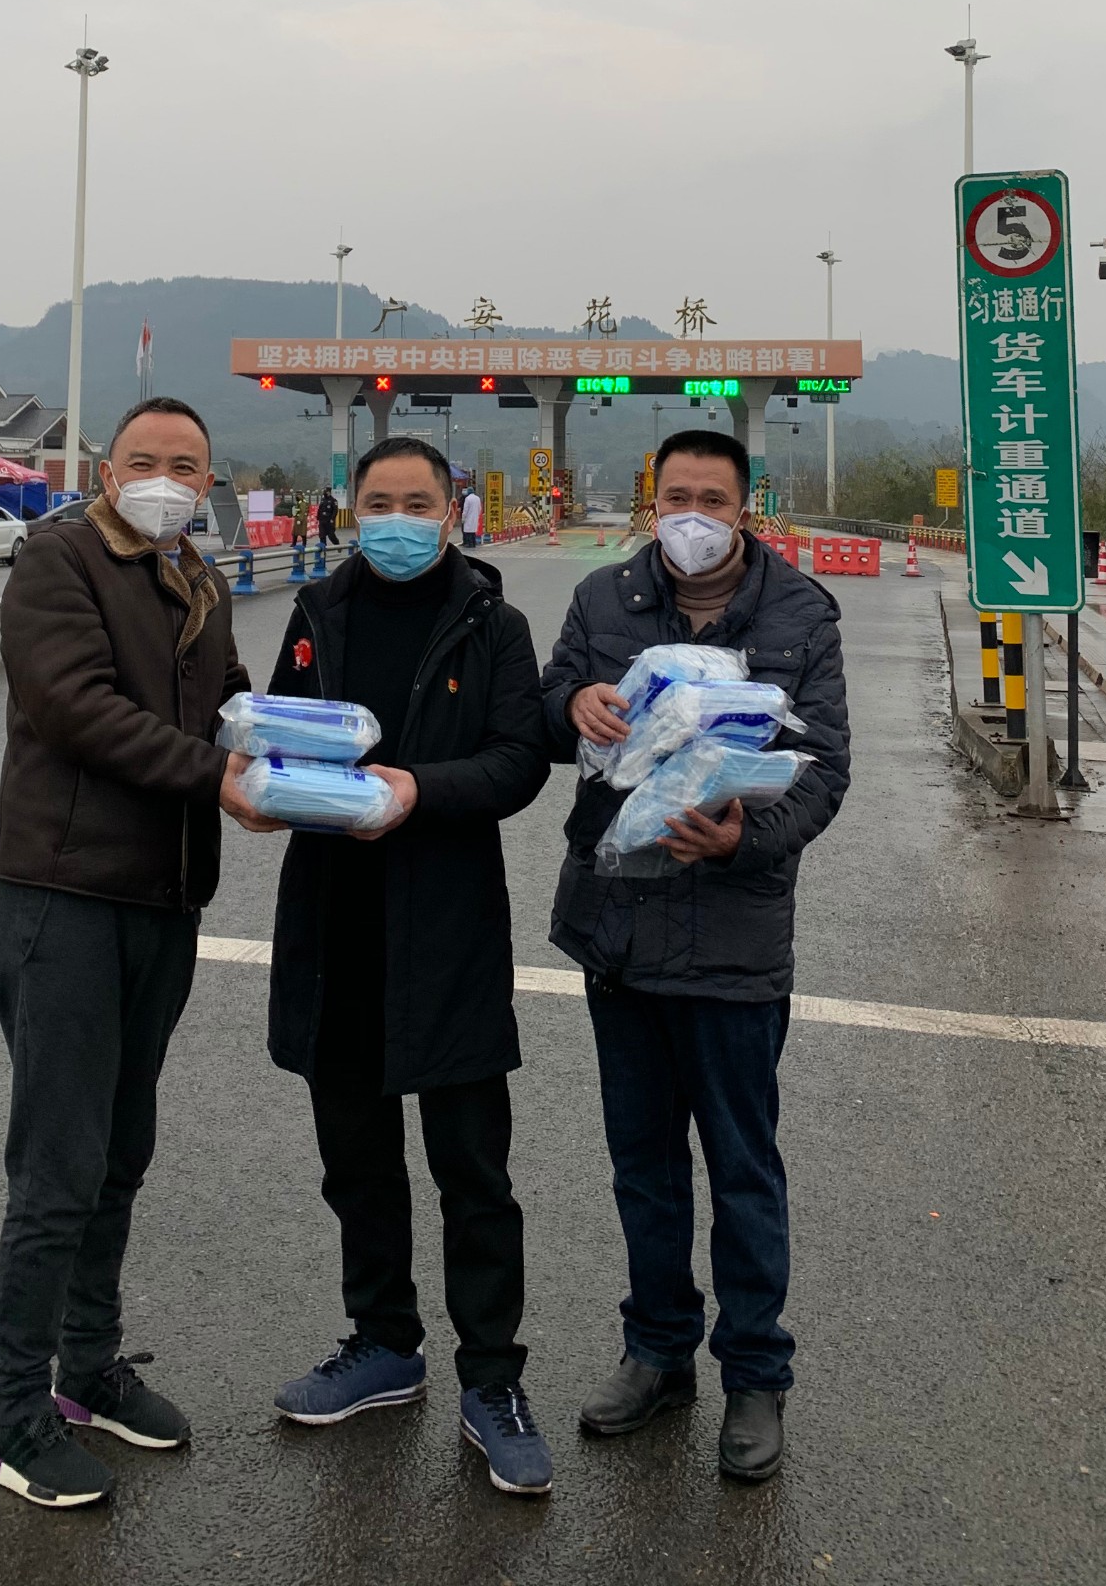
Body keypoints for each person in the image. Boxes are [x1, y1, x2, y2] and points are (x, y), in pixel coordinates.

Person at [0, 395, 276, 1509]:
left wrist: (286, 748)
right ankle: (10, 1417)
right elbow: (75, 708)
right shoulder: (59, 561)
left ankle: (87, 1368)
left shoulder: (193, 575)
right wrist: (220, 777)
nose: (164, 480)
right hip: (65, 896)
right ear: (106, 471)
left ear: (208, 482)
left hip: (162, 900)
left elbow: (225, 706)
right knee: (57, 1167)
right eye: (145, 460)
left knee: (120, 1151)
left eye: (186, 467)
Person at [539, 429, 849, 1484]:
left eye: (712, 499)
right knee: (643, 1164)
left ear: (743, 507)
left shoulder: (798, 612)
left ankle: (755, 1372)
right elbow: (547, 708)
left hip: (733, 934)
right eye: (676, 496)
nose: (692, 517)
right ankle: (657, 1351)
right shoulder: (603, 600)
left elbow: (823, 769)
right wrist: (570, 705)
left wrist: (742, 839)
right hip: (618, 925)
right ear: (652, 500)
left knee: (742, 1167)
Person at [260, 434, 556, 1495]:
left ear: (450, 510)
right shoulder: (316, 611)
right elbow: (280, 731)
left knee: (473, 1171)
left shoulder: (491, 622)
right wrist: (264, 783)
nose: (395, 519)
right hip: (334, 921)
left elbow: (518, 760)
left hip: (447, 926)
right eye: (377, 501)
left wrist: (418, 791)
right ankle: (383, 1341)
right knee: (356, 1161)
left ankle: (493, 1378)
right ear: (350, 509)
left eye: (416, 502)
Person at [461, 483, 484, 548]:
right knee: (473, 531)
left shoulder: (467, 499)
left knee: (468, 532)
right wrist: (477, 515)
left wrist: (463, 518)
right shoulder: (477, 498)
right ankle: (473, 543)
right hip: (475, 517)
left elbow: (465, 509)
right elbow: (479, 508)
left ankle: (469, 544)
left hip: (468, 517)